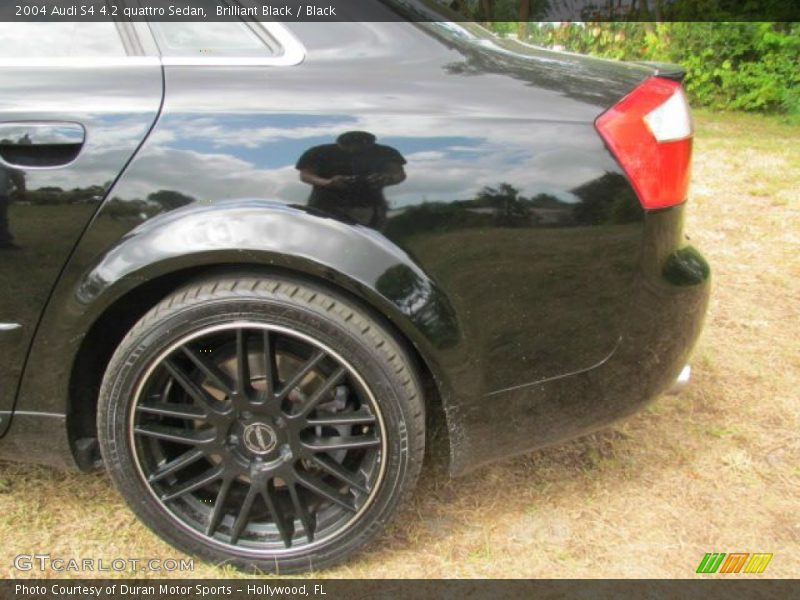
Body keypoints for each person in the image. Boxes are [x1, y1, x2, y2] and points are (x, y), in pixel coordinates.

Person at [295, 131, 406, 229]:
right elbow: (305, 175)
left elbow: (399, 174)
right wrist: (329, 183)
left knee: (367, 241)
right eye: (349, 146)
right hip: (326, 206)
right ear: (341, 144)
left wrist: (386, 178)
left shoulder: (385, 152)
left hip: (369, 207)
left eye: (361, 146)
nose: (354, 150)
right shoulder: (320, 152)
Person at [0, 161, 25, 250]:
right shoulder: (6, 159)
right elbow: (17, 174)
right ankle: (3, 242)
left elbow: (17, 174)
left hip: (1, 194)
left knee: (1, 218)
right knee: (1, 218)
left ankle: (3, 241)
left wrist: (21, 189)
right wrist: (21, 189)